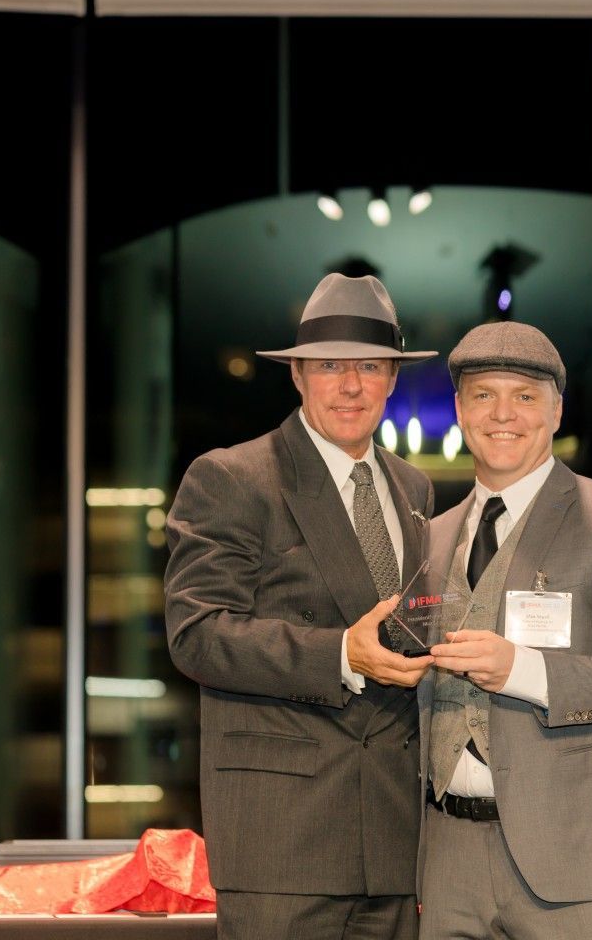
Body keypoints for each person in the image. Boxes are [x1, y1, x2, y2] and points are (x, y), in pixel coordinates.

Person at [165, 273, 439, 940]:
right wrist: (340, 654)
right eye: (329, 366)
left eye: (369, 366)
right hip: (283, 841)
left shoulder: (414, 488)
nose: (350, 385)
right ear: (297, 375)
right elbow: (197, 633)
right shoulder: (232, 477)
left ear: (393, 378)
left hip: (396, 841)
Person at [417, 321, 592, 939]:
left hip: (585, 862)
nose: (503, 414)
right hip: (448, 863)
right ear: (459, 409)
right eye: (484, 395)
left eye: (525, 396)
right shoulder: (430, 538)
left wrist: (524, 671)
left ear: (557, 410)